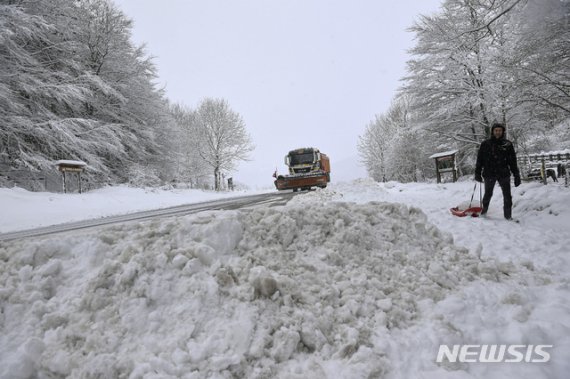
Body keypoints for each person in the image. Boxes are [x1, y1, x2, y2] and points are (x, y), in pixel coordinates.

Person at [474, 122, 521, 220]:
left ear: (503, 131)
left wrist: (516, 175)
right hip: (489, 173)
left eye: (500, 130)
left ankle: (508, 216)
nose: (498, 132)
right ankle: (483, 213)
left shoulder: (507, 144)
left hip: (503, 173)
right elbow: (480, 160)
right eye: (496, 130)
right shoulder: (485, 144)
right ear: (492, 131)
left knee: (507, 195)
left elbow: (512, 161)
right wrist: (477, 173)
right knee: (488, 194)